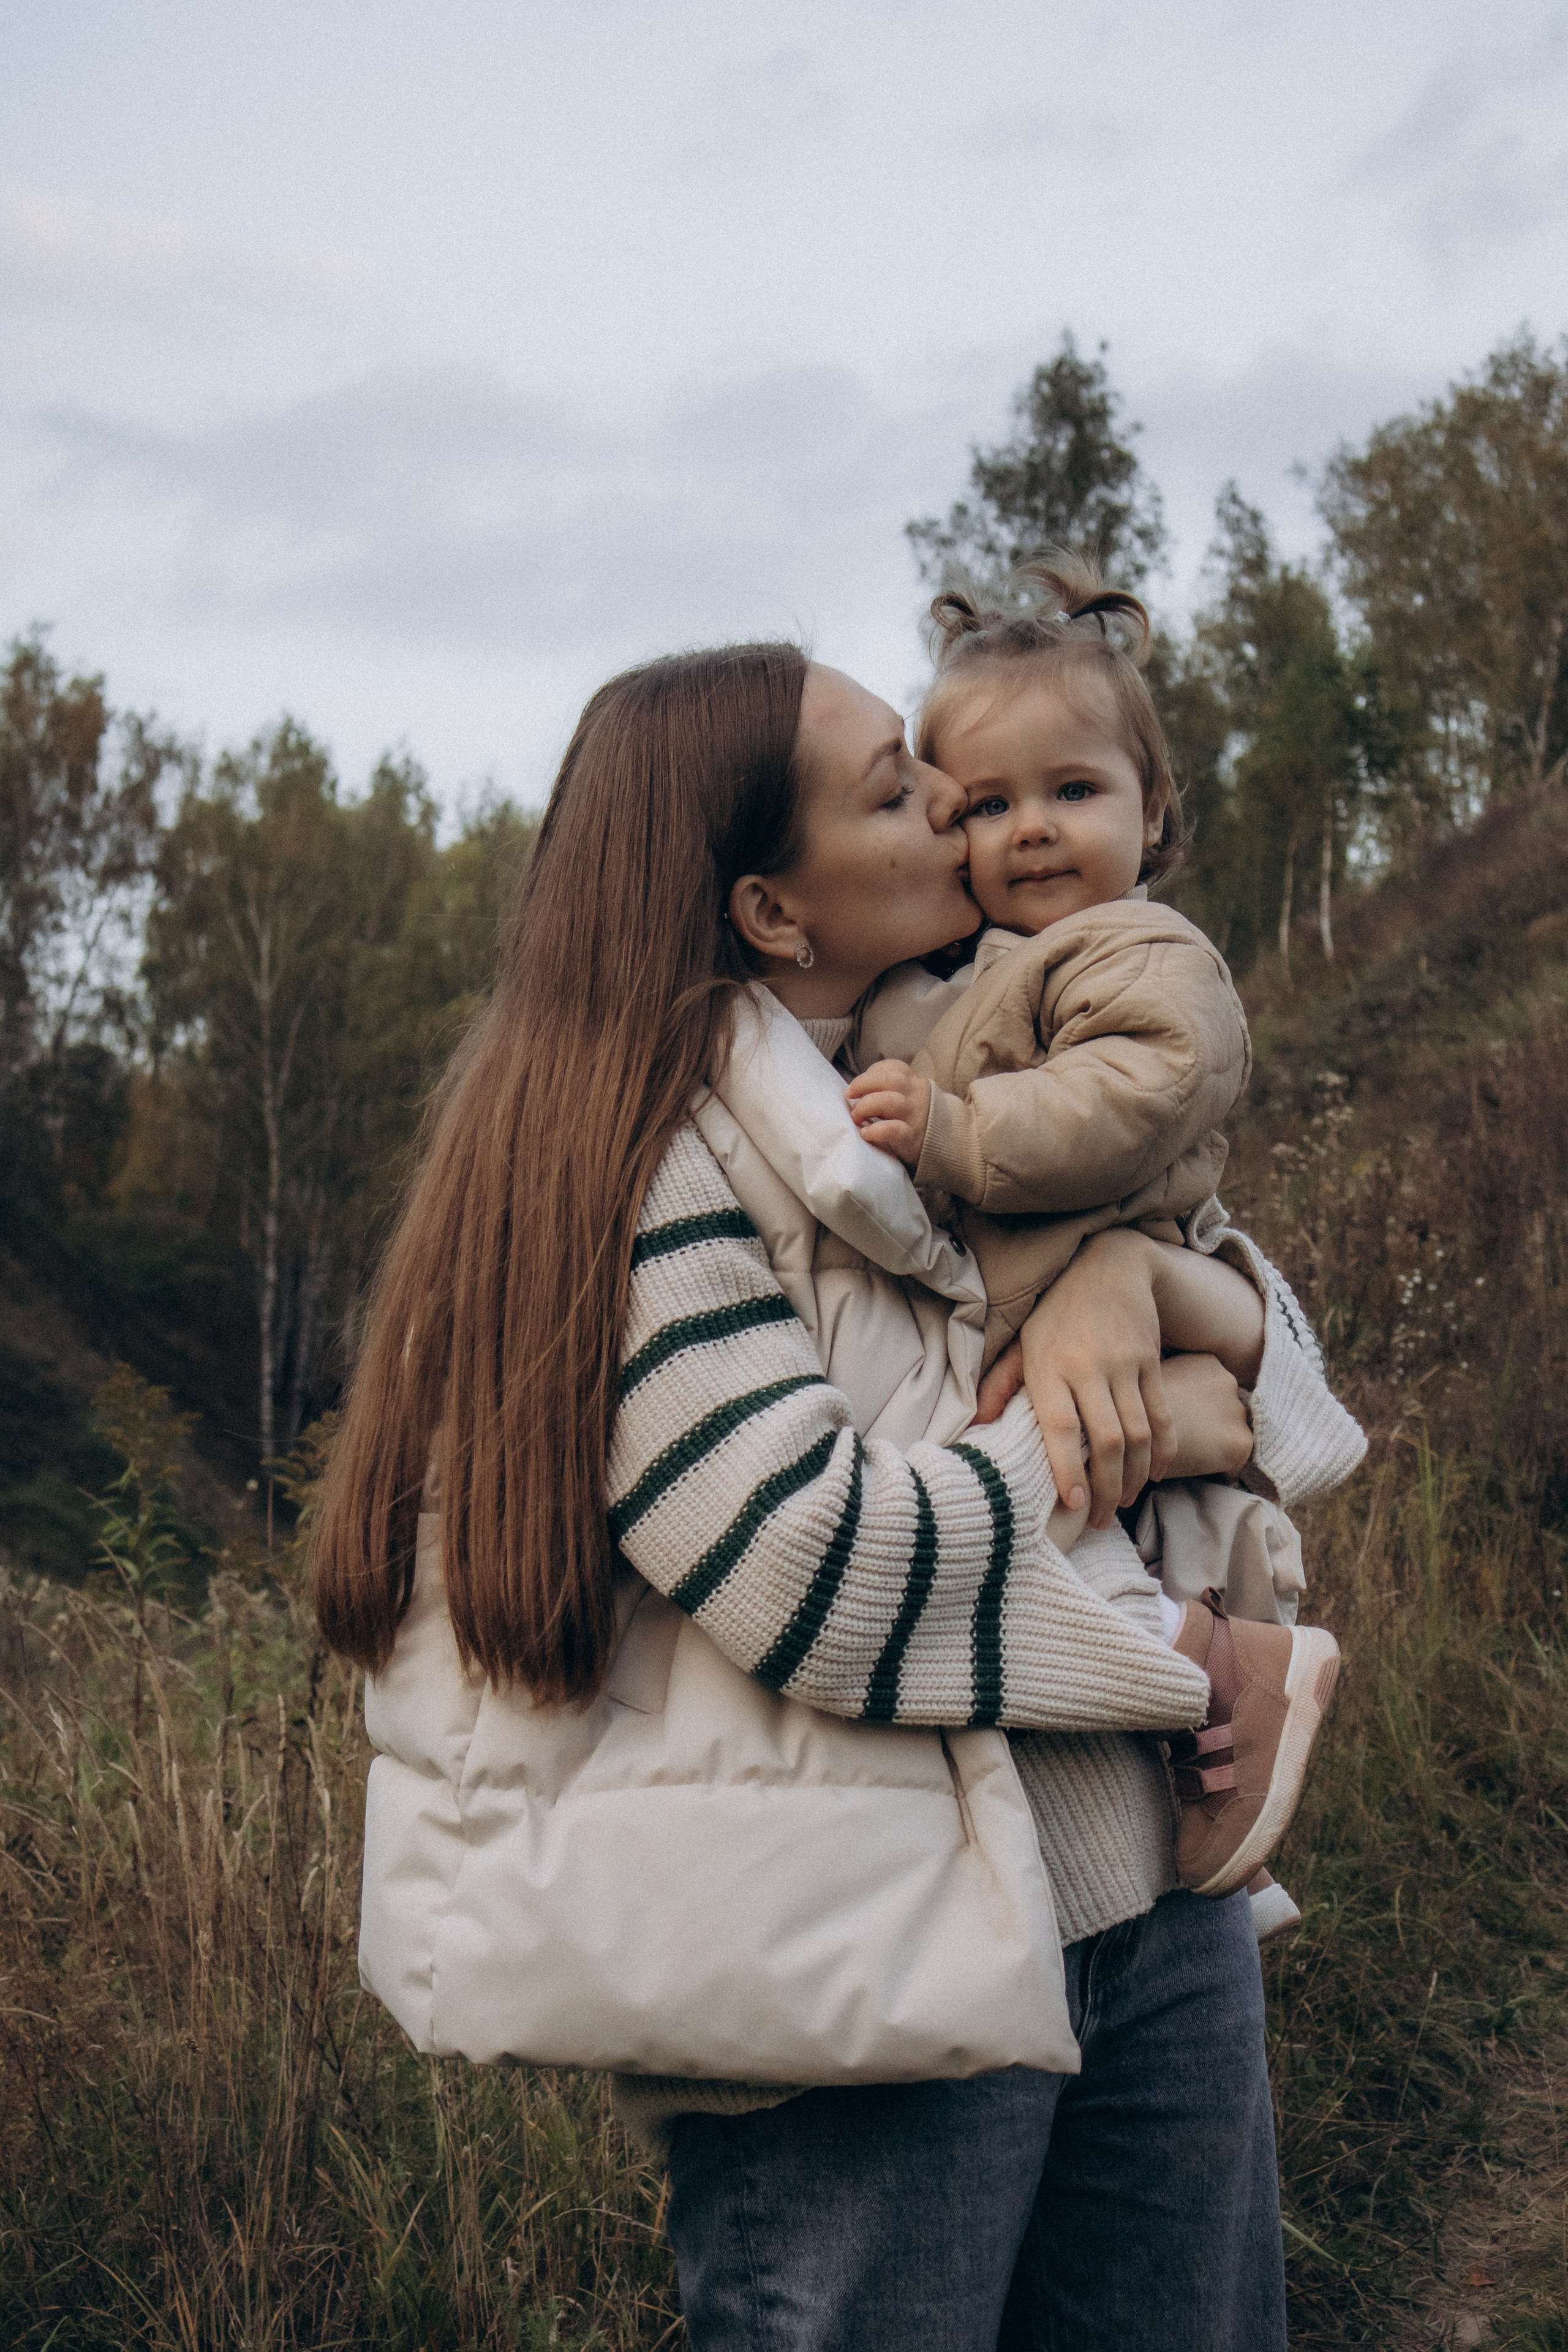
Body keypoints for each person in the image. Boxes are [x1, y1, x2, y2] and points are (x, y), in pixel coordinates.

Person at [314, 641, 1364, 2350]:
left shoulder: (941, 1095)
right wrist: (1157, 1421)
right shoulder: (643, 1169)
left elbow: (1300, 1398)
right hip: (856, 1974)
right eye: (897, 788)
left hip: (1147, 1897)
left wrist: (1150, 1302)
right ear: (771, 912)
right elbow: (822, 1561)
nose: (956, 803)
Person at [842, 555, 1347, 1917]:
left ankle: (1226, 1686)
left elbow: (1124, 1097)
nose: (1031, 832)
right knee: (1048, 1551)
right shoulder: (949, 975)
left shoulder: (1139, 952)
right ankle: (1206, 1767)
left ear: (1154, 810)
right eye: (985, 805)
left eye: (1073, 791)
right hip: (1032, 1340)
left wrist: (951, 1132)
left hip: (1101, 1303)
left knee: (1101, 1552)